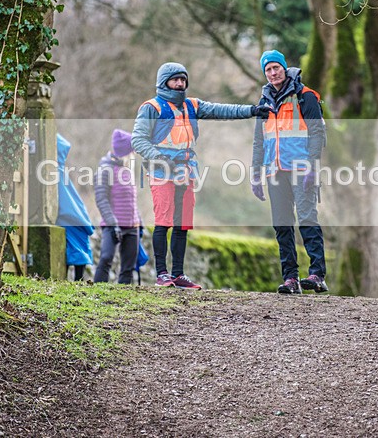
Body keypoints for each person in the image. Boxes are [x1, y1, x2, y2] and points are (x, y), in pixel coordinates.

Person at [132, 62, 272, 289]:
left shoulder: (192, 105)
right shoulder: (151, 107)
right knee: (164, 221)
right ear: (163, 82)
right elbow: (138, 139)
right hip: (161, 171)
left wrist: (252, 110)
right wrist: (161, 158)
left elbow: (222, 110)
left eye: (183, 79)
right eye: (175, 79)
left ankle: (178, 274)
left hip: (187, 170)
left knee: (182, 224)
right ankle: (162, 274)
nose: (180, 83)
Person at [250, 50, 328, 294]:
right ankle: (290, 279)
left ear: (284, 67)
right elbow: (258, 142)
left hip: (302, 169)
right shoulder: (264, 104)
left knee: (307, 219)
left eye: (276, 68)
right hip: (275, 172)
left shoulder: (306, 97)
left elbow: (318, 134)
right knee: (282, 225)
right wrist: (255, 174)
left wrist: (313, 166)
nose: (273, 73)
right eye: (268, 70)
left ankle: (317, 274)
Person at [93, 129, 144, 284]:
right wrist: (113, 223)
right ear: (124, 152)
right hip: (112, 224)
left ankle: (123, 300)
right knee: (106, 258)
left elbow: (131, 199)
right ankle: (97, 293)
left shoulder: (127, 169)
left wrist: (139, 221)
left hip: (132, 225)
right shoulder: (104, 170)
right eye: (132, 152)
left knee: (128, 267)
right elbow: (101, 199)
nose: (134, 155)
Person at [56, 133, 94, 281]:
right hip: (70, 216)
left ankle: (77, 280)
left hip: (70, 216)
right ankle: (78, 280)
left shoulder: (57, 171)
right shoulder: (57, 171)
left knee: (76, 244)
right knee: (77, 243)